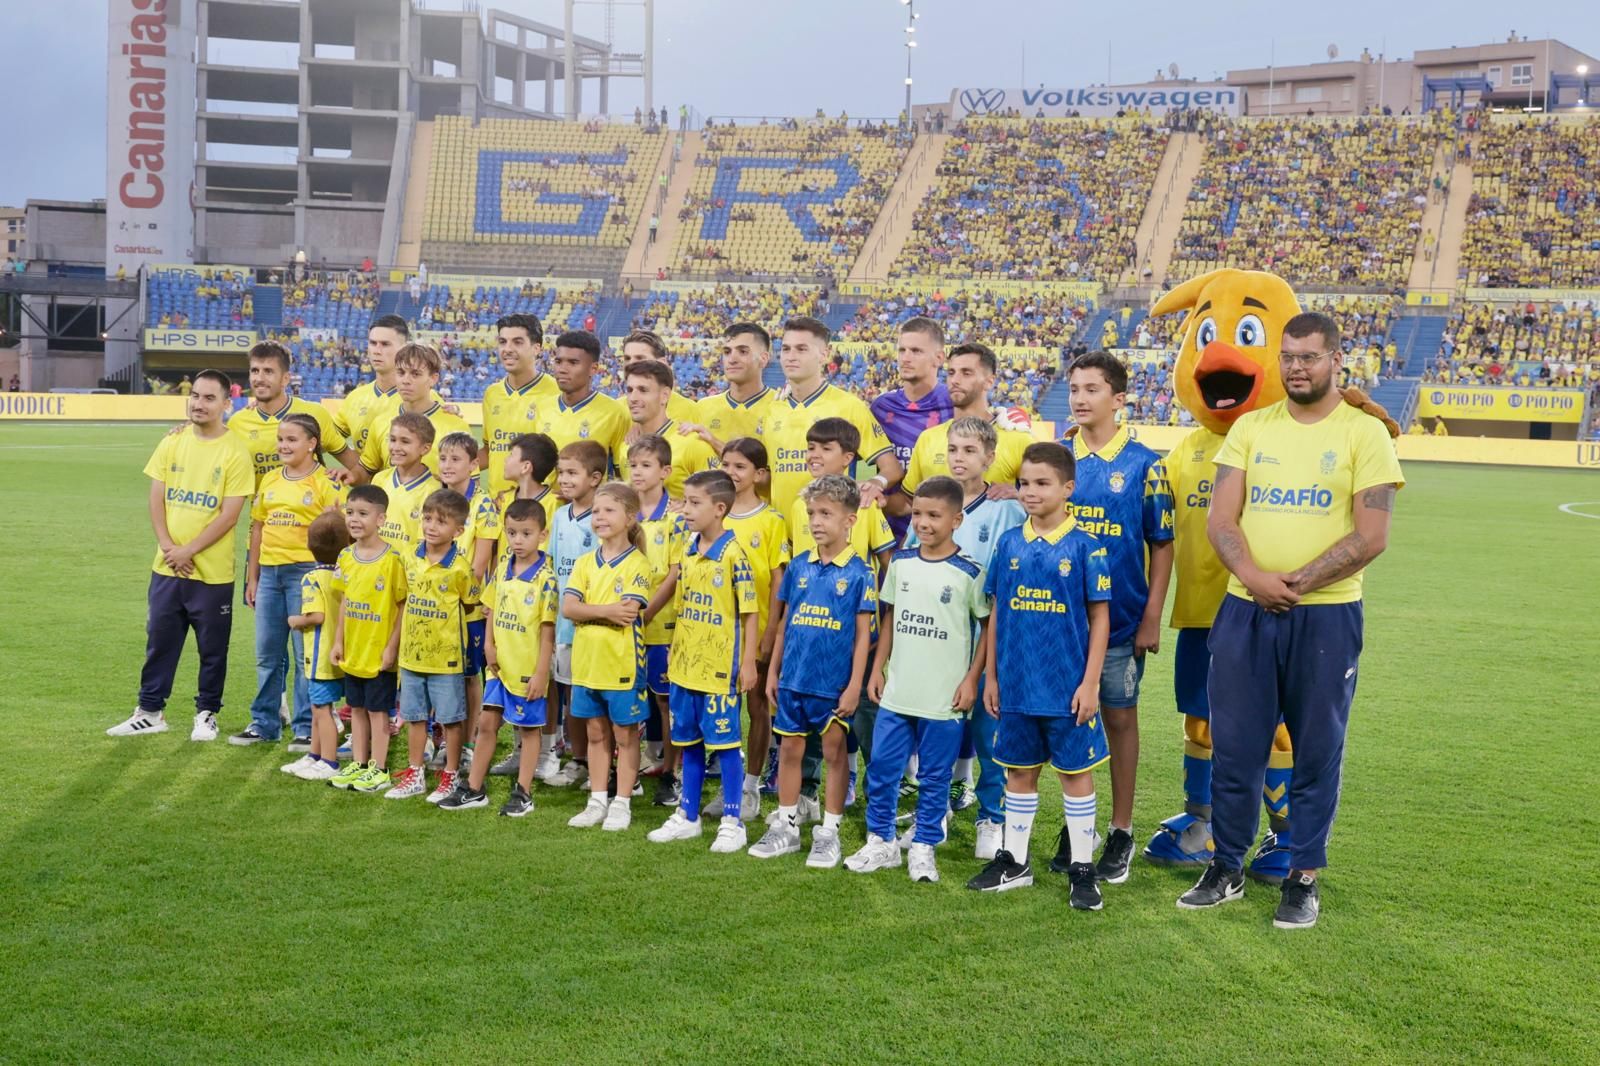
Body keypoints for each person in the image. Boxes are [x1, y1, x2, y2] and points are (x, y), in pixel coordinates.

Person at [1179, 311, 1402, 930]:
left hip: (1326, 616)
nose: (1298, 367)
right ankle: (1226, 867)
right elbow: (1221, 519)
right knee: (1236, 747)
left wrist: (1297, 584)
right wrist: (1255, 580)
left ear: (1336, 358)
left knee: (1317, 749)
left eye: (1310, 356)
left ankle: (1302, 878)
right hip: (1245, 610)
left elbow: (1372, 534)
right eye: (1289, 356)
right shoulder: (1252, 427)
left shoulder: (1365, 433)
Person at [966, 442, 1111, 913]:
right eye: (1025, 483)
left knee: (1076, 776)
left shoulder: (1087, 547)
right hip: (1016, 685)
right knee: (1019, 772)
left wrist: (1090, 683)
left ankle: (1083, 868)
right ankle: (1015, 861)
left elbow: (1101, 620)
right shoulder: (1008, 543)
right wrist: (990, 677)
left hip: (1068, 688)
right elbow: (995, 613)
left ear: (1068, 488)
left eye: (1042, 483)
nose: (1030, 492)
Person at [1062, 351, 1175, 885]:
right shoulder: (1059, 458)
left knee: (1119, 718)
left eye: (1091, 389)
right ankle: (1075, 824)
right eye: (1075, 389)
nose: (1080, 399)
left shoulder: (1145, 464)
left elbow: (1162, 544)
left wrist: (1153, 615)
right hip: (1060, 623)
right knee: (1062, 718)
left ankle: (1122, 828)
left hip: (1123, 621)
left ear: (1119, 398)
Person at [849, 477, 990, 884]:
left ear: (957, 519)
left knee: (935, 776)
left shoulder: (969, 573)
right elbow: (890, 620)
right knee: (883, 770)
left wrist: (971, 679)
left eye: (934, 515)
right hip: (898, 692)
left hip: (943, 696)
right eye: (917, 514)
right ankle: (881, 842)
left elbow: (986, 629)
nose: (924, 522)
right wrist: (877, 668)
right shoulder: (902, 564)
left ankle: (925, 846)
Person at [903, 417, 1025, 860]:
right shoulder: (930, 506)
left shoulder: (1007, 509)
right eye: (953, 449)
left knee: (991, 732)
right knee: (937, 732)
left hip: (990, 638)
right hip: (938, 640)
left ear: (990, 458)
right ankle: (932, 812)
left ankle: (991, 818)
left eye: (970, 450)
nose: (959, 458)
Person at [108, 370, 254, 740]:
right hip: (167, 566)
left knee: (212, 650)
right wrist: (169, 547)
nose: (199, 404)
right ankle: (150, 711)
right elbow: (157, 497)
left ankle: (207, 713)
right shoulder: (172, 442)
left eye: (208, 398)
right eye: (195, 396)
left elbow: (230, 514)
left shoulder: (235, 450)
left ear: (226, 404)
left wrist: (188, 549)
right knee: (160, 641)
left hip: (212, 573)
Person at [748, 475, 876, 867]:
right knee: (788, 749)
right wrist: (773, 675)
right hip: (793, 681)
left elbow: (862, 638)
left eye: (826, 513)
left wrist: (854, 685)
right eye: (811, 514)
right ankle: (786, 826)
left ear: (850, 520)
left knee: (835, 754)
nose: (816, 522)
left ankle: (830, 832)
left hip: (833, 686)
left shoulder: (859, 573)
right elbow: (785, 623)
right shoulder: (799, 565)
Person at [648, 470, 760, 852]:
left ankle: (732, 820)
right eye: (686, 502)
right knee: (688, 741)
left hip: (719, 671)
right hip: (684, 667)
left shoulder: (734, 555)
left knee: (725, 744)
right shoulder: (687, 548)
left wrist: (747, 662)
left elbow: (750, 612)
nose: (687, 510)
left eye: (695, 503)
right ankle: (688, 816)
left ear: (719, 508)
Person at [441, 498, 559, 815]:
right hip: (498, 666)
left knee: (528, 730)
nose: (517, 540)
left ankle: (523, 792)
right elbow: (491, 607)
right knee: (487, 722)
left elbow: (548, 632)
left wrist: (540, 673)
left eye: (525, 533)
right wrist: (489, 645)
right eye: (511, 533)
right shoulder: (504, 566)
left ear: (542, 535)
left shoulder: (546, 580)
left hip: (526, 670)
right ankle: (474, 788)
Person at [235, 413, 346, 748]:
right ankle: (264, 722)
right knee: (267, 653)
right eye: (281, 439)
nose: (283, 445)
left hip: (306, 574)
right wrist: (252, 577)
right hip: (269, 574)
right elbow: (257, 529)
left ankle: (305, 726)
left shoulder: (326, 483)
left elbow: (340, 534)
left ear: (312, 444)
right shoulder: (269, 480)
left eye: (292, 439)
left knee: (304, 655)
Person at [563, 482, 656, 831]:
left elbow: (626, 614)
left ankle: (622, 802)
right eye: (596, 511)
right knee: (595, 735)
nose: (599, 517)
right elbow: (568, 608)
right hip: (587, 664)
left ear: (629, 517)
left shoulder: (638, 564)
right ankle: (597, 800)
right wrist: (602, 610)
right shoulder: (586, 563)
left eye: (608, 510)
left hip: (622, 665)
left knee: (625, 735)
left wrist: (587, 610)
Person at [384, 489, 476, 802]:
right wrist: (393, 647)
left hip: (446, 660)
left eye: (441, 521)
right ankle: (415, 774)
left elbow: (471, 607)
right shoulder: (408, 557)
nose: (431, 526)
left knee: (450, 719)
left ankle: (450, 775)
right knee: (414, 716)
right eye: (427, 518)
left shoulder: (461, 569)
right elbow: (401, 603)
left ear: (459, 530)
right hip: (411, 657)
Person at [717, 437, 790, 815]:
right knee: (719, 708)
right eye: (726, 463)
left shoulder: (771, 520)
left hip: (754, 628)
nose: (731, 471)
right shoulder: (713, 514)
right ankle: (726, 782)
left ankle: (751, 786)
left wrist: (771, 629)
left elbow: (779, 580)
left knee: (757, 705)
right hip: (715, 631)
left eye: (740, 466)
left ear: (759, 474)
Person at [764, 316, 900, 517]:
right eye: (786, 349)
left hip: (832, 536)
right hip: (781, 536)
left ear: (824, 355)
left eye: (802, 349)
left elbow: (892, 468)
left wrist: (874, 483)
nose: (791, 356)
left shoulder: (849, 406)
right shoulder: (772, 408)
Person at [327, 484, 409, 794]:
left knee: (378, 712)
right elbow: (346, 601)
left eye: (363, 513)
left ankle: (380, 768)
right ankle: (360, 764)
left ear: (381, 519)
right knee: (356, 709)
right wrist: (338, 641)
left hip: (379, 654)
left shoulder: (392, 560)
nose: (354, 519)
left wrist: (392, 646)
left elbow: (402, 605)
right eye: (350, 513)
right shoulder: (346, 556)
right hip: (354, 651)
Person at [894, 342, 1031, 508]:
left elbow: (1049, 497)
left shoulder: (1019, 439)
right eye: (951, 373)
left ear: (989, 381)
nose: (955, 381)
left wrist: (1020, 496)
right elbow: (909, 500)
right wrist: (873, 495)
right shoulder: (928, 438)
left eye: (966, 373)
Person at [434, 432, 501, 770]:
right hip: (435, 605)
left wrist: (450, 591)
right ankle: (442, 736)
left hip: (468, 606)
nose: (447, 465)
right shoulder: (435, 500)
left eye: (456, 459)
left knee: (469, 675)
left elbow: (480, 565)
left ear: (475, 465)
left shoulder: (484, 504)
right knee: (437, 671)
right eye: (443, 458)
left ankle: (470, 738)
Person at [628, 435, 688, 806]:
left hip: (662, 625)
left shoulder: (676, 517)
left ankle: (673, 770)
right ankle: (632, 767)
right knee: (629, 698)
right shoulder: (622, 510)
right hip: (625, 623)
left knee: (667, 702)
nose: (637, 472)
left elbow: (675, 572)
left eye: (646, 465)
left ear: (665, 472)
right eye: (633, 465)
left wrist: (646, 611)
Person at [545, 440, 607, 787]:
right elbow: (554, 567)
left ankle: (604, 760)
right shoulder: (559, 516)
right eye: (561, 472)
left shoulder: (602, 518)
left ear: (595, 478)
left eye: (572, 473)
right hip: (563, 625)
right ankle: (579, 760)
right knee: (572, 696)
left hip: (592, 623)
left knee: (595, 697)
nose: (564, 479)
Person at [280, 511, 353, 780]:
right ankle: (314, 755)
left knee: (322, 710)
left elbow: (317, 616)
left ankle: (329, 761)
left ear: (309, 546)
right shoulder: (345, 574)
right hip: (343, 651)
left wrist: (294, 620)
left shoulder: (311, 578)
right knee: (319, 707)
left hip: (320, 655)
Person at [227, 340, 361, 486]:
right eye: (255, 371)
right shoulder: (237, 423)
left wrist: (352, 475)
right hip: (262, 508)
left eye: (268, 371)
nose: (259, 378)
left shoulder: (315, 414)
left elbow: (355, 465)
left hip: (311, 507)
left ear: (285, 379)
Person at [870, 317, 954, 538]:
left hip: (943, 530)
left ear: (939, 358)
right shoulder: (880, 407)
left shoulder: (955, 404)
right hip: (888, 529)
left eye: (916, 351)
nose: (905, 358)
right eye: (902, 350)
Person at [785, 417, 895, 575]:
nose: (814, 455)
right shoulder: (799, 505)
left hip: (854, 598)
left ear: (847, 458)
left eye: (826, 449)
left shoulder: (864, 503)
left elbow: (886, 559)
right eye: (811, 448)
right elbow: (796, 567)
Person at [530, 330, 630, 481]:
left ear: (593, 369)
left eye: (573, 363)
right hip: (545, 503)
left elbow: (621, 473)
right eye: (558, 361)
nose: (562, 369)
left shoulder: (615, 413)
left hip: (591, 504)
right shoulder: (541, 408)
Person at [359, 343, 471, 476]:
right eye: (401, 373)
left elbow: (469, 485)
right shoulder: (380, 422)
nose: (406, 380)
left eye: (415, 374)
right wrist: (348, 476)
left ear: (433, 379)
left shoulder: (456, 426)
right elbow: (366, 470)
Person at [481, 313, 559, 495]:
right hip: (497, 505)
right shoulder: (492, 394)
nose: (507, 349)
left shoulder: (556, 393)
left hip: (539, 508)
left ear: (537, 348)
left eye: (517, 342)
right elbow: (489, 450)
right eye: (502, 342)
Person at [622, 359, 717, 497]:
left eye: (643, 390)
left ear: (664, 396)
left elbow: (719, 498)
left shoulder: (693, 444)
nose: (633, 398)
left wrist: (686, 507)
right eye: (630, 390)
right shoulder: (625, 446)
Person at [685, 322, 776, 453]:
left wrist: (714, 442)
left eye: (743, 351)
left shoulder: (779, 406)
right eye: (727, 352)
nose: (732, 359)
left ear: (763, 358)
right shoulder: (702, 407)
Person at [333, 315, 410, 458]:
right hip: (363, 480)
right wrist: (355, 466)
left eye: (385, 344)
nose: (377, 350)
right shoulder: (355, 398)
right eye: (373, 343)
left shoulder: (423, 398)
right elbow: (327, 438)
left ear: (404, 349)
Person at [370, 412, 440, 552]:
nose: (396, 447)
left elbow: (428, 543)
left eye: (405, 441)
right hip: (376, 565)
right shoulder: (380, 479)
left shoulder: (435, 490)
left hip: (409, 569)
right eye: (393, 439)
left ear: (425, 448)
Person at [619, 330, 698, 422]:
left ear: (662, 363)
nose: (631, 364)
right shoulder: (616, 411)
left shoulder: (691, 411)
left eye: (640, 358)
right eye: (627, 358)